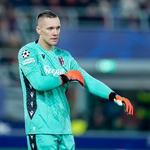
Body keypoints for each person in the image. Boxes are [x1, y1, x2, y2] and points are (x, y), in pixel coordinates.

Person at [18, 10, 133, 150]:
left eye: (57, 28)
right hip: (41, 128)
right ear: (38, 29)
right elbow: (38, 83)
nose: (55, 32)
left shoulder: (65, 57)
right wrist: (65, 77)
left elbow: (87, 80)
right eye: (50, 28)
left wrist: (114, 96)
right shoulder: (28, 52)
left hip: (64, 129)